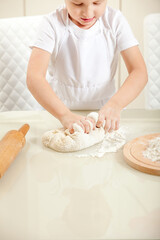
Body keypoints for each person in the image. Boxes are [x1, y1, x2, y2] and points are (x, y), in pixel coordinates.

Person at [26, 0, 148, 134]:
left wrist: (116, 105)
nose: (88, 13)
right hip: (59, 112)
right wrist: (65, 115)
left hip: (107, 112)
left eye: (97, 3)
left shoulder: (114, 20)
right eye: (78, 4)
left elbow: (139, 71)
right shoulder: (51, 23)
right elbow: (34, 77)